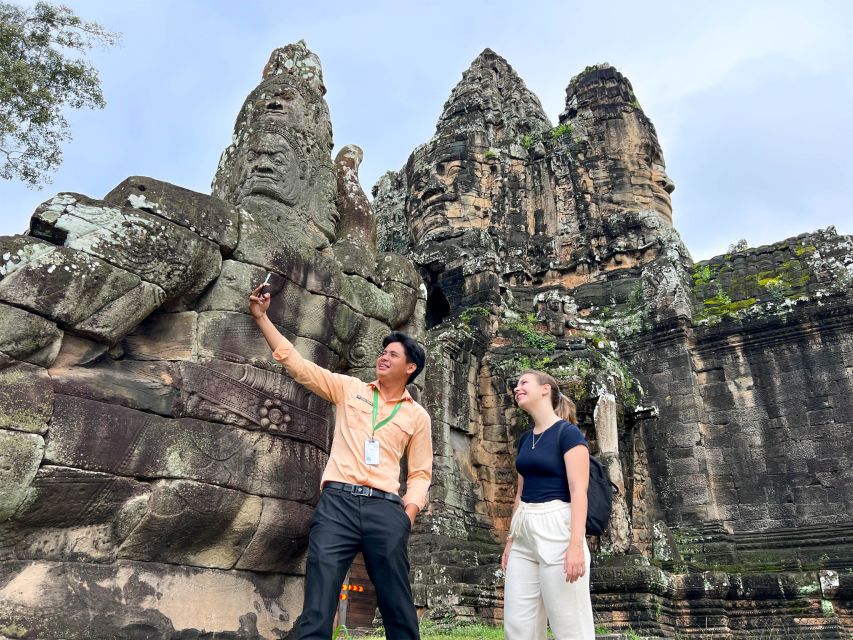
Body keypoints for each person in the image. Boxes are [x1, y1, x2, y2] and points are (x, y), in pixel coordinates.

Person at [249, 282, 432, 640]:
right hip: (338, 505)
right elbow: (299, 366)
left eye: (392, 355)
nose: (383, 357)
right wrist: (262, 318)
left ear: (410, 367)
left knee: (398, 607)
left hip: (385, 510)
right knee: (318, 605)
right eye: (383, 352)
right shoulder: (351, 390)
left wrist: (406, 516)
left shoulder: (418, 416)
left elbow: (422, 472)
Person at [502, 370, 595, 640]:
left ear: (545, 389)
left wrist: (576, 545)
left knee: (569, 624)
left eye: (523, 383)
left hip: (558, 525)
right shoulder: (525, 439)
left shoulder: (568, 434)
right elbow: (520, 493)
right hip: (524, 530)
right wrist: (510, 540)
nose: (517, 388)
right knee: (519, 625)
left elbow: (579, 491)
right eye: (516, 384)